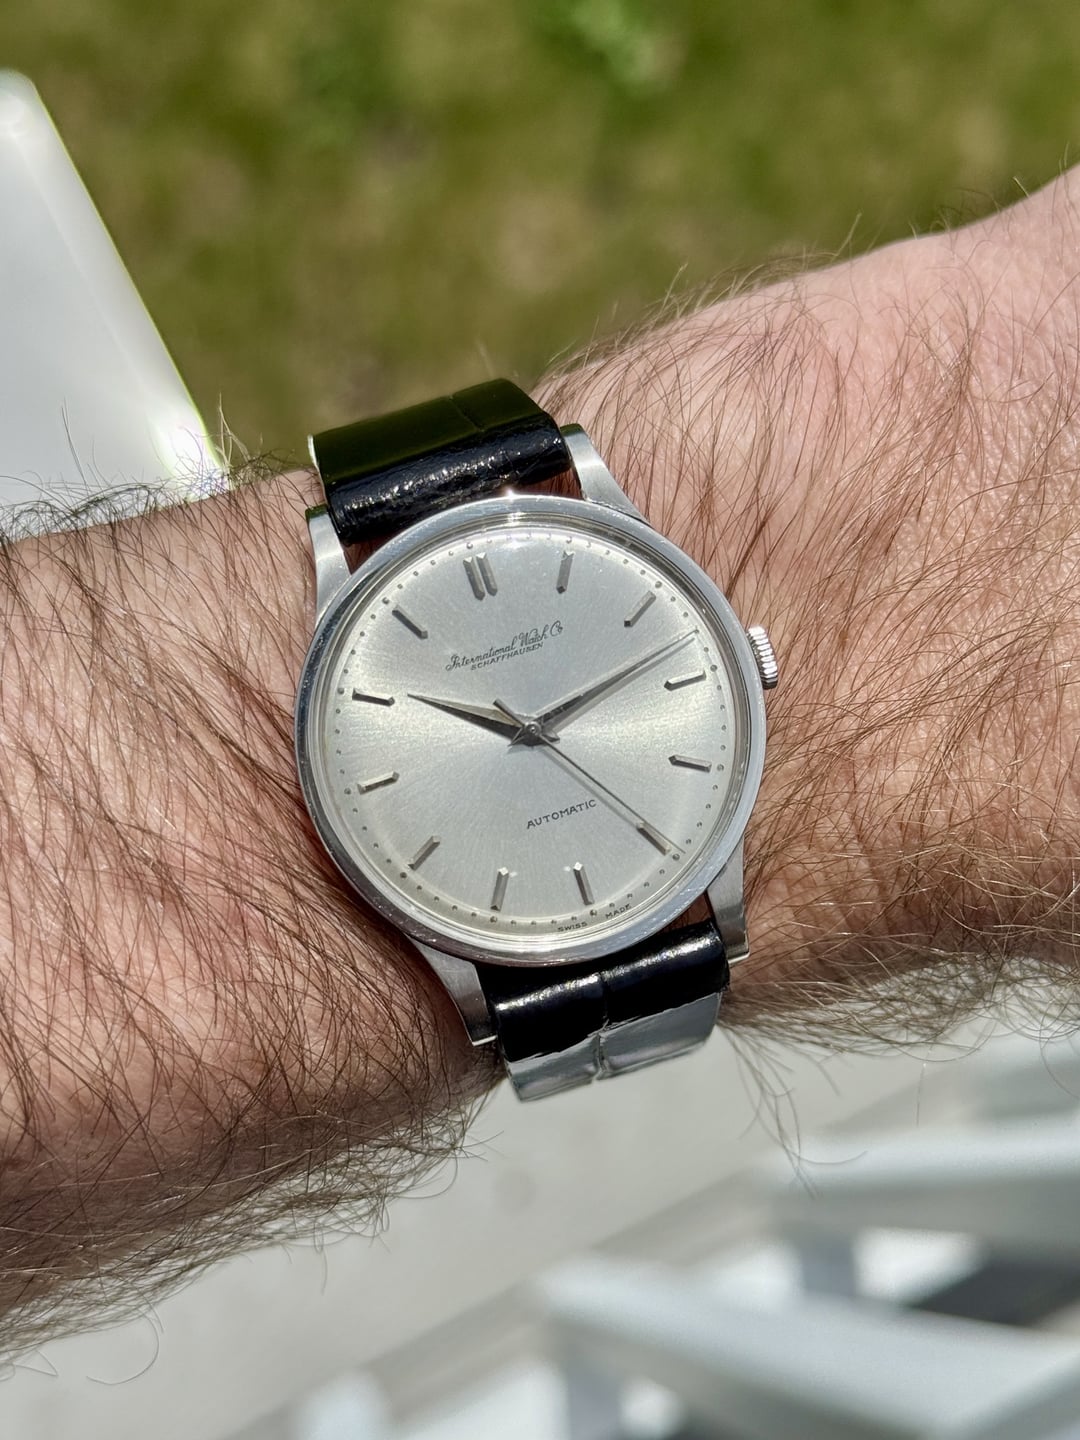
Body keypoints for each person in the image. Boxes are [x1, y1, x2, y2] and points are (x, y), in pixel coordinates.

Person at [1, 169, 1078, 1350]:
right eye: (513, 727)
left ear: (747, 657)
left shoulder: (697, 775)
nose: (531, 729)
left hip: (624, 865)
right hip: (516, 894)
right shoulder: (367, 673)